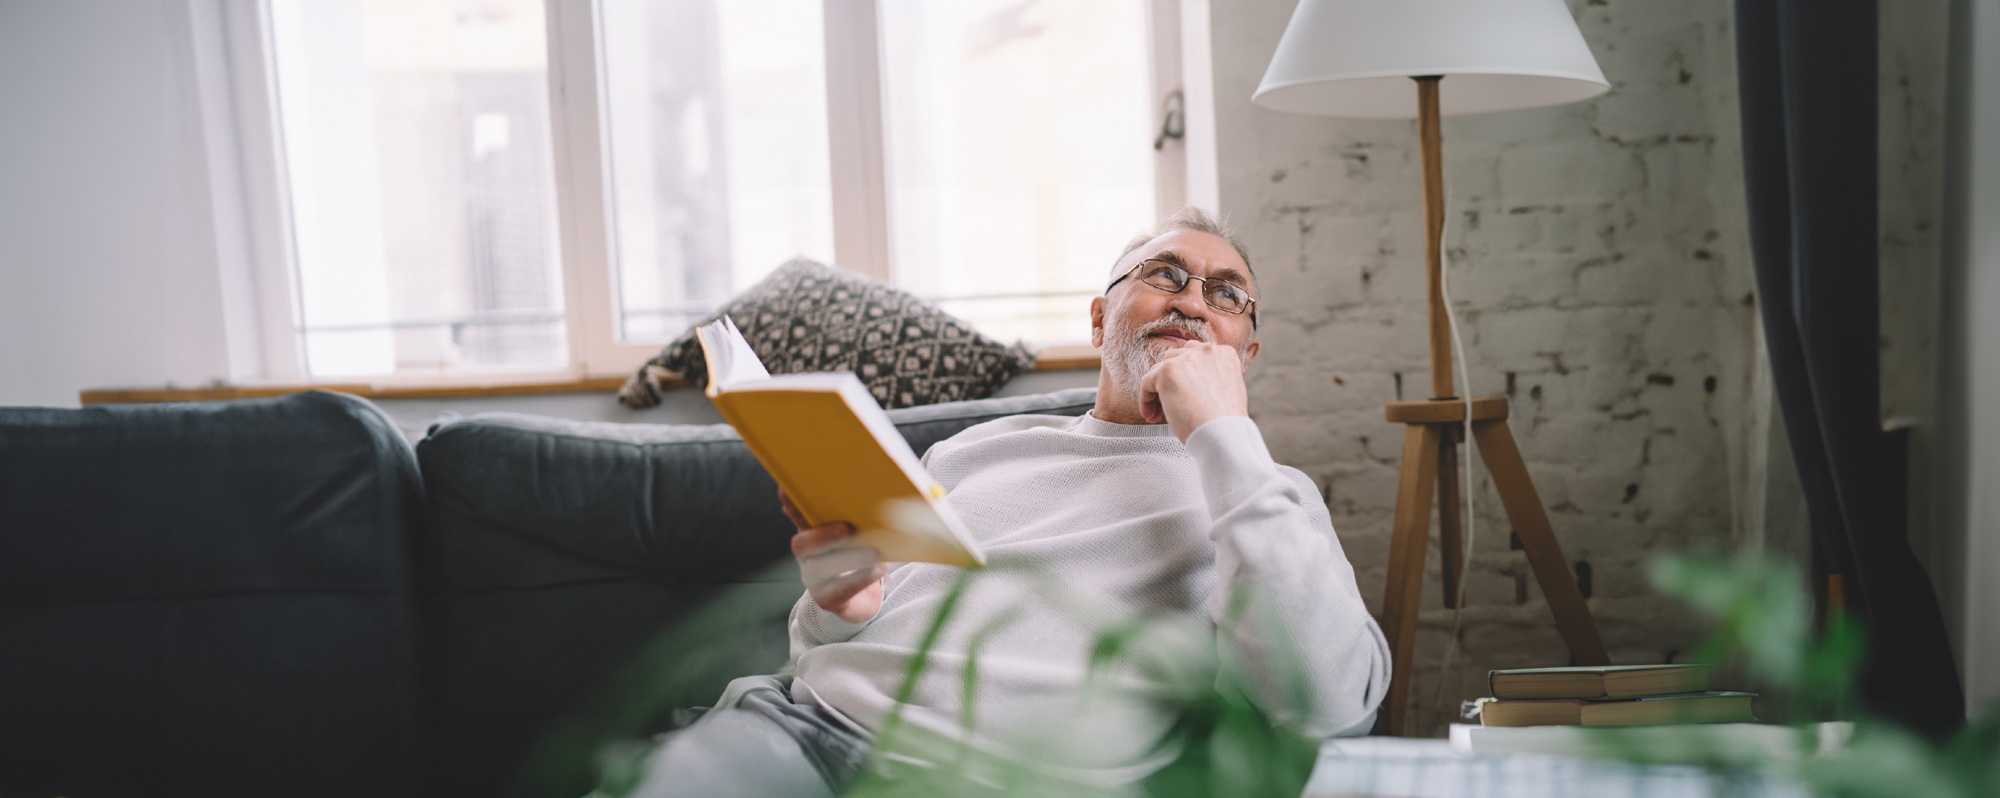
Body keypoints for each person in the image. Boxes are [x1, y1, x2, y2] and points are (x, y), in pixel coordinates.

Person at [615, 208, 1389, 798]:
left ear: (1244, 353)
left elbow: (1323, 706)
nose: (1192, 300)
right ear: (1099, 319)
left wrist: (1223, 434)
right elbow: (831, 634)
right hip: (800, 736)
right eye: (1165, 275)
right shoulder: (974, 449)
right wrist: (837, 605)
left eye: (1227, 296)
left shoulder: (1262, 493)